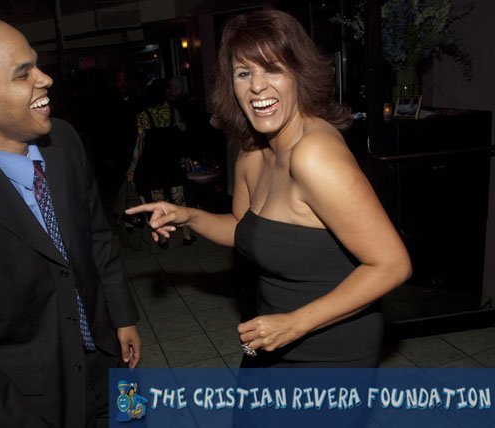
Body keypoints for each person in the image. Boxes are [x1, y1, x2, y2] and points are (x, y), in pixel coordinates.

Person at [126, 9, 411, 368]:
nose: (257, 86)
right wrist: (188, 216)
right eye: (244, 73)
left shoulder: (314, 155)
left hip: (329, 349)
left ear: (299, 74)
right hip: (271, 333)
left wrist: (294, 324)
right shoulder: (252, 152)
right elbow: (243, 228)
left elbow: (392, 265)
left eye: (273, 68)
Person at [0, 17, 141, 428]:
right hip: (41, 404)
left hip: (111, 359)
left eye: (37, 64)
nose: (45, 78)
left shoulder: (63, 141)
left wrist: (122, 316)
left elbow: (97, 237)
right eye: (23, 73)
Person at [126, 79, 195, 248]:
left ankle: (164, 240)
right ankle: (186, 236)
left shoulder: (143, 115)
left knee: (159, 203)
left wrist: (132, 168)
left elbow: (139, 144)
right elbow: (184, 135)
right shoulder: (173, 112)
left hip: (153, 164)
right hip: (172, 161)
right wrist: (186, 156)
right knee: (179, 201)